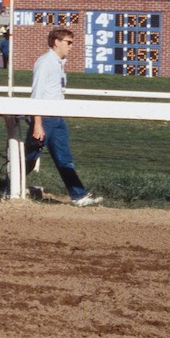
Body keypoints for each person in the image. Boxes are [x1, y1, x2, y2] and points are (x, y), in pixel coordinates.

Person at [25, 28, 101, 206]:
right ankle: (9, 186)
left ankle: (78, 196)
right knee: (30, 156)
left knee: (64, 158)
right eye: (69, 42)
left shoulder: (59, 63)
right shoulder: (44, 63)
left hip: (57, 119)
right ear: (56, 42)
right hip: (44, 119)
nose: (71, 46)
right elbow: (36, 95)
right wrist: (37, 123)